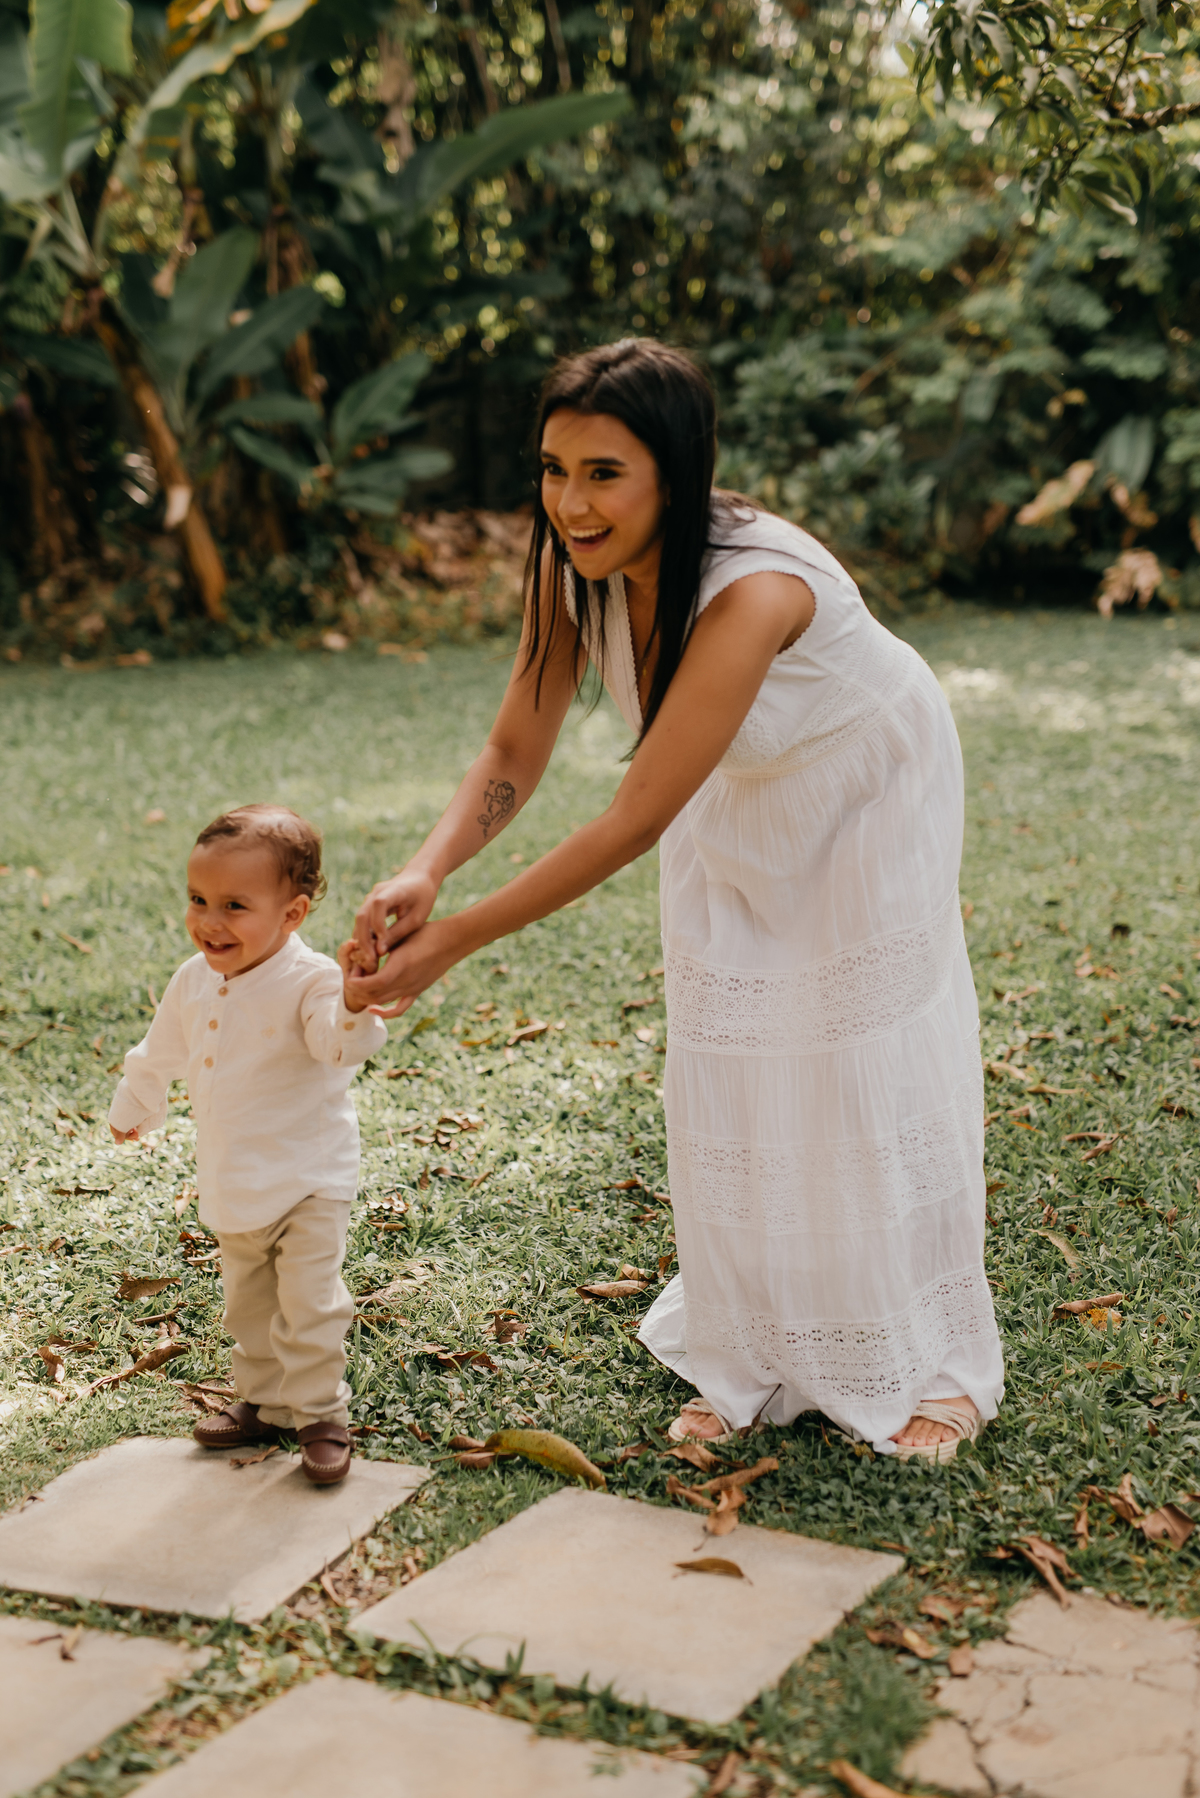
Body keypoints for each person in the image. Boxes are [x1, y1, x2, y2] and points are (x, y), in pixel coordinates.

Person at [345, 338, 1004, 1461]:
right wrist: (428, 867)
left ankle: (939, 1367)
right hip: (728, 783)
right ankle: (748, 1354)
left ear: (677, 472)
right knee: (730, 1051)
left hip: (863, 781)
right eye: (555, 469)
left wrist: (452, 941)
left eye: (605, 473)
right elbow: (521, 735)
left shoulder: (754, 591)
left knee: (858, 1056)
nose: (571, 502)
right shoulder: (574, 568)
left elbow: (634, 816)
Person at [108, 805, 386, 1484]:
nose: (210, 920)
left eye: (235, 905)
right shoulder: (192, 980)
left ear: (292, 915)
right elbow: (158, 1053)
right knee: (250, 1304)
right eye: (198, 899)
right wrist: (135, 1104)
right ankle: (262, 1401)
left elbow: (339, 1044)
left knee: (310, 1303)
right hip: (234, 1178)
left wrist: (354, 999)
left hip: (310, 1180)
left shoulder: (312, 981)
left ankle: (321, 1413)